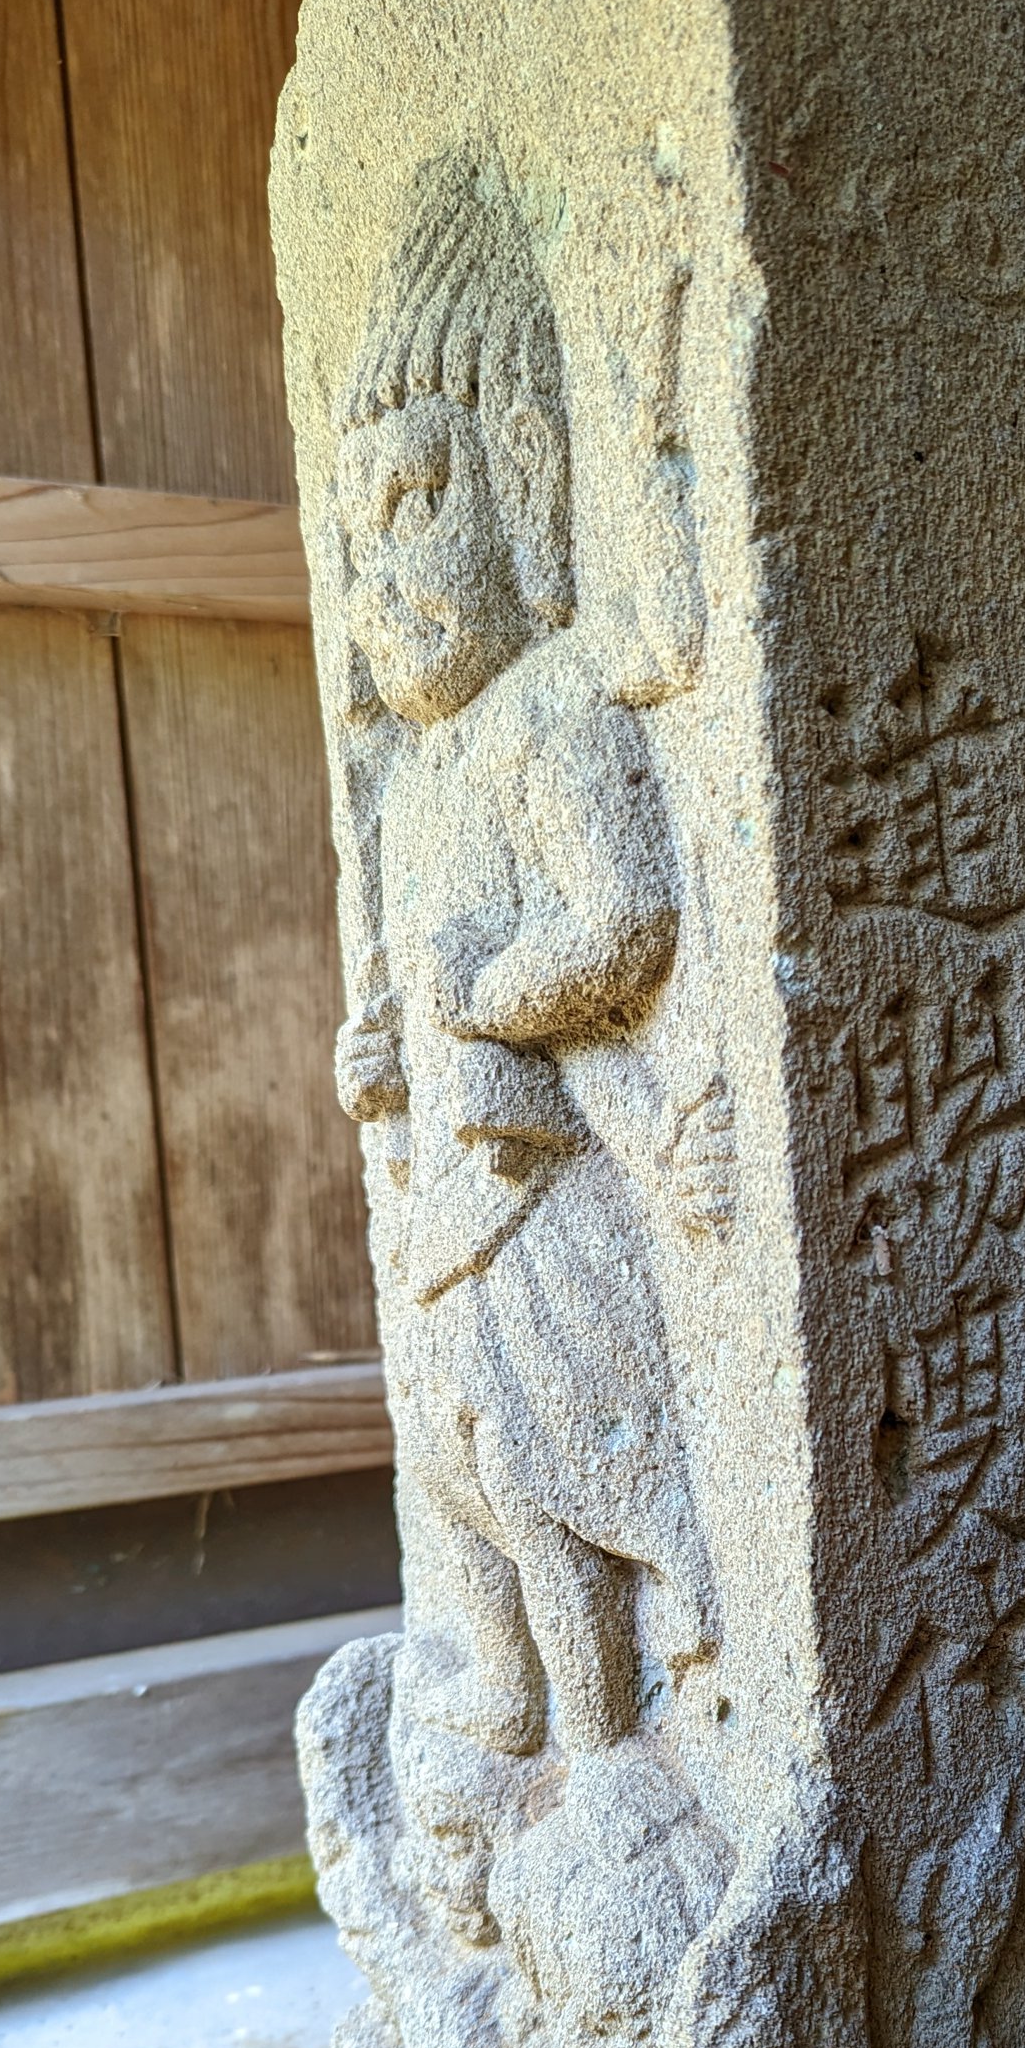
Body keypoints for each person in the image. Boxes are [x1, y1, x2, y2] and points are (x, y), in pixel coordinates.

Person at [327, 150, 713, 1935]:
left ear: (522, 481)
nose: (383, 573)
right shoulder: (412, 778)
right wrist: (388, 1053)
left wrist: (489, 991)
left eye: (419, 502)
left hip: (554, 1196)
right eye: (360, 536)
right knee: (474, 1468)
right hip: (458, 1207)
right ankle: (538, 1712)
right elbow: (419, 999)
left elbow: (627, 920)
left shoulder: (552, 708)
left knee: (562, 1469)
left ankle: (616, 1733)